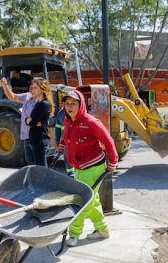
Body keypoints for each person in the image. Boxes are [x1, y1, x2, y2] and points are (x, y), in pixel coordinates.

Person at [58, 90, 118, 247]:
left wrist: (112, 162)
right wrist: (63, 144)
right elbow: (67, 134)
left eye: (73, 103)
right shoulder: (67, 120)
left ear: (81, 105)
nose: (70, 106)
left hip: (93, 167)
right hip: (79, 167)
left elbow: (108, 141)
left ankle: (74, 233)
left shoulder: (91, 122)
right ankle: (102, 230)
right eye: (67, 103)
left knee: (82, 202)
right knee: (93, 200)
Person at [0, 77, 36, 165]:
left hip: (36, 136)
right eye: (32, 86)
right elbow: (12, 96)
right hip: (26, 136)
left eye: (35, 87)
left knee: (38, 164)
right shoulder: (27, 96)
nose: (32, 88)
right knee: (30, 162)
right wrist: (5, 86)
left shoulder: (42, 101)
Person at [25, 78, 54, 167]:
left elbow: (33, 122)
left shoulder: (45, 104)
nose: (32, 90)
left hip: (40, 141)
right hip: (34, 139)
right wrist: (30, 120)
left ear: (42, 89)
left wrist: (31, 121)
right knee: (36, 168)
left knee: (41, 170)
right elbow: (28, 121)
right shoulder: (38, 103)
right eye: (32, 88)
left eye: (35, 88)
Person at [54, 105, 75, 178]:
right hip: (66, 143)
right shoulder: (60, 114)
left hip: (77, 142)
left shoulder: (77, 111)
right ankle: (71, 177)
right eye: (66, 102)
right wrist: (57, 144)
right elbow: (57, 130)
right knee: (68, 160)